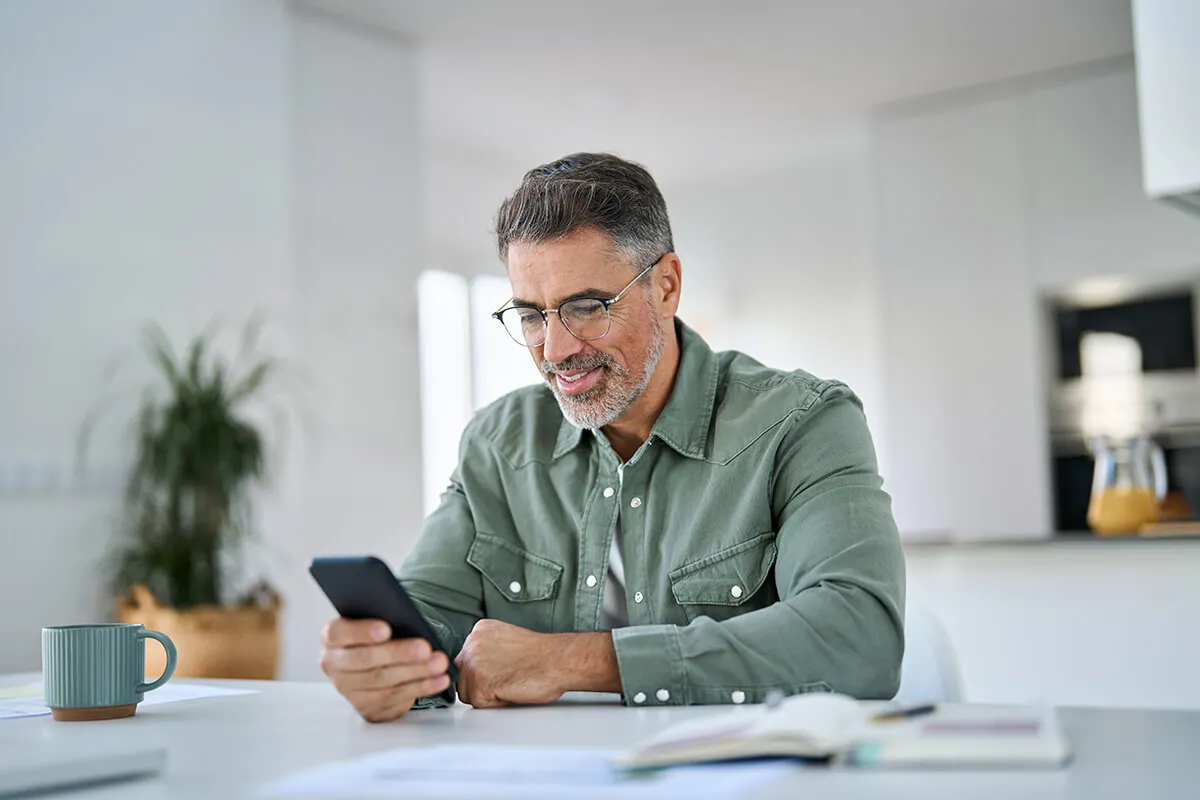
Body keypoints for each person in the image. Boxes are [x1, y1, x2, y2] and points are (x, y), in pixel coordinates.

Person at [320, 153, 905, 722]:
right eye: (531, 315)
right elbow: (428, 622)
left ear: (667, 286)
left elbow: (861, 636)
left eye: (586, 307)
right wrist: (383, 669)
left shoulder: (803, 423)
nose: (555, 351)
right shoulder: (497, 445)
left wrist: (575, 661)